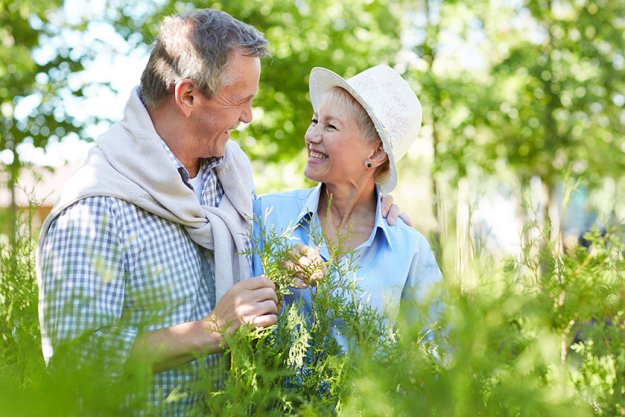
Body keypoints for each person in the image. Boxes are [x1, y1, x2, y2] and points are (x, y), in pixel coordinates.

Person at [37, 9, 404, 415]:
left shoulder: (229, 172)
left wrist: (368, 206)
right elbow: (74, 362)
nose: (247, 116)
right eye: (240, 100)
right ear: (188, 96)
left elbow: (245, 269)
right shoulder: (94, 209)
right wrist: (212, 329)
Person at [252, 65, 442, 349]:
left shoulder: (409, 249)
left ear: (376, 152)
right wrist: (276, 281)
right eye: (315, 121)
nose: (312, 136)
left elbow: (439, 353)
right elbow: (234, 323)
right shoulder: (267, 215)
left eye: (330, 126)